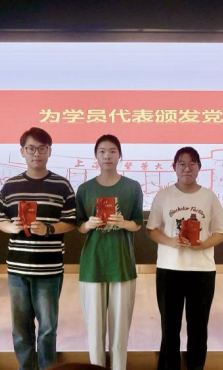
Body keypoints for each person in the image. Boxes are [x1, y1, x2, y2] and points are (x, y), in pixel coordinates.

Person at [0, 127, 76, 370]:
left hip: (49, 269)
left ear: (50, 151)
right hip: (18, 269)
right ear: (22, 151)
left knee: (48, 329)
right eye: (31, 149)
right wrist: (11, 227)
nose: (36, 154)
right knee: (21, 330)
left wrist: (48, 229)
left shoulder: (62, 185)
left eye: (42, 149)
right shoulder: (11, 185)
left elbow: (71, 221)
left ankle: (48, 368)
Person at [146, 146, 223, 370]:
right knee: (169, 328)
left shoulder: (209, 197)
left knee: (198, 329)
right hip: (169, 269)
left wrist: (203, 245)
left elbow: (221, 232)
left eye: (192, 164)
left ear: (199, 167)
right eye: (181, 164)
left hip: (202, 271)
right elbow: (152, 230)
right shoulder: (163, 196)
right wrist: (170, 241)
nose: (187, 168)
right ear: (174, 167)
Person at [76, 134, 143, 370]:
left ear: (120, 155)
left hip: (122, 263)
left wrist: (124, 223)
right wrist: (89, 224)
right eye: (102, 151)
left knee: (120, 328)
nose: (107, 156)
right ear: (96, 155)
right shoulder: (85, 189)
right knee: (94, 328)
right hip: (92, 264)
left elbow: (138, 223)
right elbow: (79, 225)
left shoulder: (132, 187)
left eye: (112, 151)